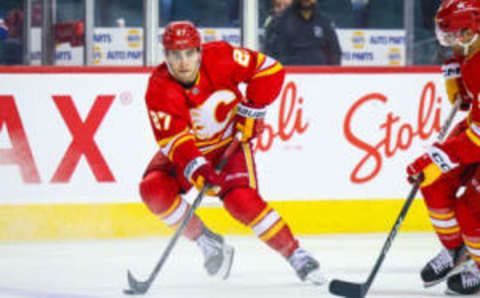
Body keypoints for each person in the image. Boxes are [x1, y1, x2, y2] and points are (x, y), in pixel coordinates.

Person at [140, 20, 325, 285]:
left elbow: (270, 70)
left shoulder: (222, 57)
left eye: (189, 53)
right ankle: (207, 242)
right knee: (153, 190)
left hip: (230, 143)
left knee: (241, 201)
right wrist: (198, 167)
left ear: (200, 51)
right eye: (175, 55)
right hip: (190, 151)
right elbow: (174, 141)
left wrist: (254, 108)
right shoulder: (159, 87)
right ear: (165, 55)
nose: (183, 62)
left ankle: (296, 253)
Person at [406, 0, 480, 295]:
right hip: (476, 130)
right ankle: (456, 251)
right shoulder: (470, 50)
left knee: (470, 211)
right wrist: (456, 81)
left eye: (453, 34)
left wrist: (439, 156)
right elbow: (468, 102)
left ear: (472, 30)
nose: (448, 41)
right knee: (432, 182)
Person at [264, 0, 341, 65]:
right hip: (290, 76)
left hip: (319, 77)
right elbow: (270, 55)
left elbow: (335, 53)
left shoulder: (324, 22)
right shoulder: (280, 21)